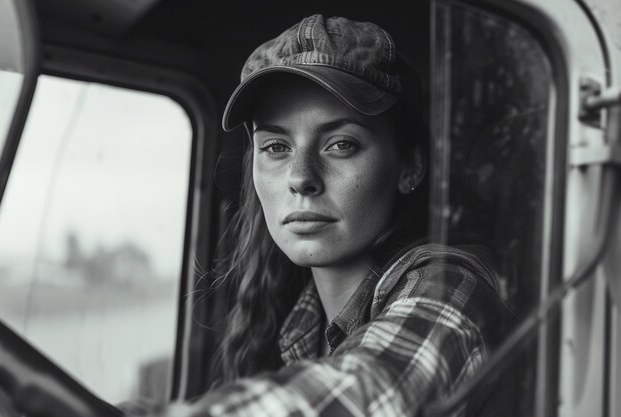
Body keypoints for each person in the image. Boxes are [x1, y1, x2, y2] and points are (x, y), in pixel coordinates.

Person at [138, 13, 516, 417]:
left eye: (340, 144)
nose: (301, 178)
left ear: (410, 167)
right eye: (276, 147)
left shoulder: (451, 283)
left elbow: (371, 390)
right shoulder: (300, 320)